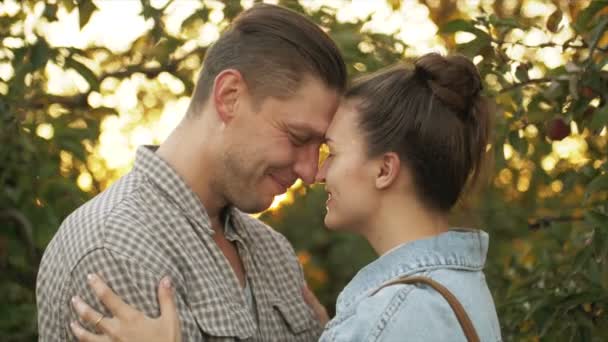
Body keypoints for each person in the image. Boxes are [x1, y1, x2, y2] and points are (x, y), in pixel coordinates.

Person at [68, 53, 503, 341]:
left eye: (332, 152)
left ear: (384, 169)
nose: (316, 172)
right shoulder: (452, 290)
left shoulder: (395, 317)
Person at [36, 3, 346, 341]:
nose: (310, 170)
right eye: (298, 137)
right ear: (230, 97)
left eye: (320, 147)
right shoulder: (118, 249)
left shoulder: (273, 252)